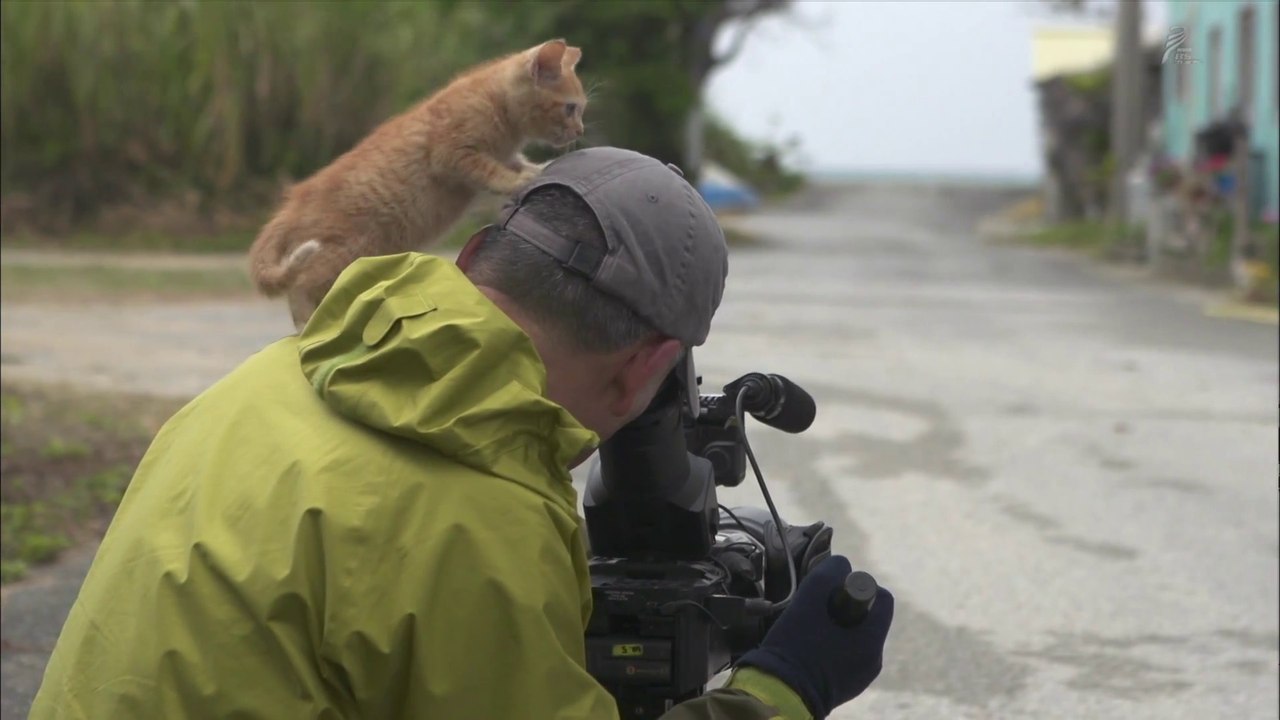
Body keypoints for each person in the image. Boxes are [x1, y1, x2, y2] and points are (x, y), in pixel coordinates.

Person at [29, 147, 894, 720]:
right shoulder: (477, 523)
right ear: (650, 365)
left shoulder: (257, 389)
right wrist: (783, 687)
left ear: (477, 259)